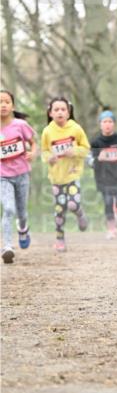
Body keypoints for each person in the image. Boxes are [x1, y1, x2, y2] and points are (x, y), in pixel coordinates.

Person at [41, 96, 90, 252]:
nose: (60, 112)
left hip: (73, 174)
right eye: (56, 110)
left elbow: (86, 148)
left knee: (72, 204)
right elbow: (44, 151)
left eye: (63, 109)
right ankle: (60, 239)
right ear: (50, 113)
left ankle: (80, 212)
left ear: (68, 113)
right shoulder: (47, 131)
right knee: (60, 209)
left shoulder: (75, 128)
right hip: (56, 178)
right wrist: (50, 158)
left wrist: (74, 151)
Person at [0, 89, 37, 263]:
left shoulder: (20, 125)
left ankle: (23, 228)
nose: (3, 105)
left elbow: (33, 143)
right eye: (0, 102)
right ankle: (7, 246)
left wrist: (33, 153)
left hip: (22, 174)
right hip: (2, 176)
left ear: (12, 105)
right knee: (8, 209)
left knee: (22, 213)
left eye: (6, 102)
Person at [90, 111, 117, 239]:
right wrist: (99, 158)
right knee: (108, 203)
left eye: (110, 121)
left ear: (114, 124)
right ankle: (111, 229)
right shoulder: (96, 142)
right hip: (104, 178)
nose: (107, 124)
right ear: (100, 124)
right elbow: (90, 161)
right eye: (104, 122)